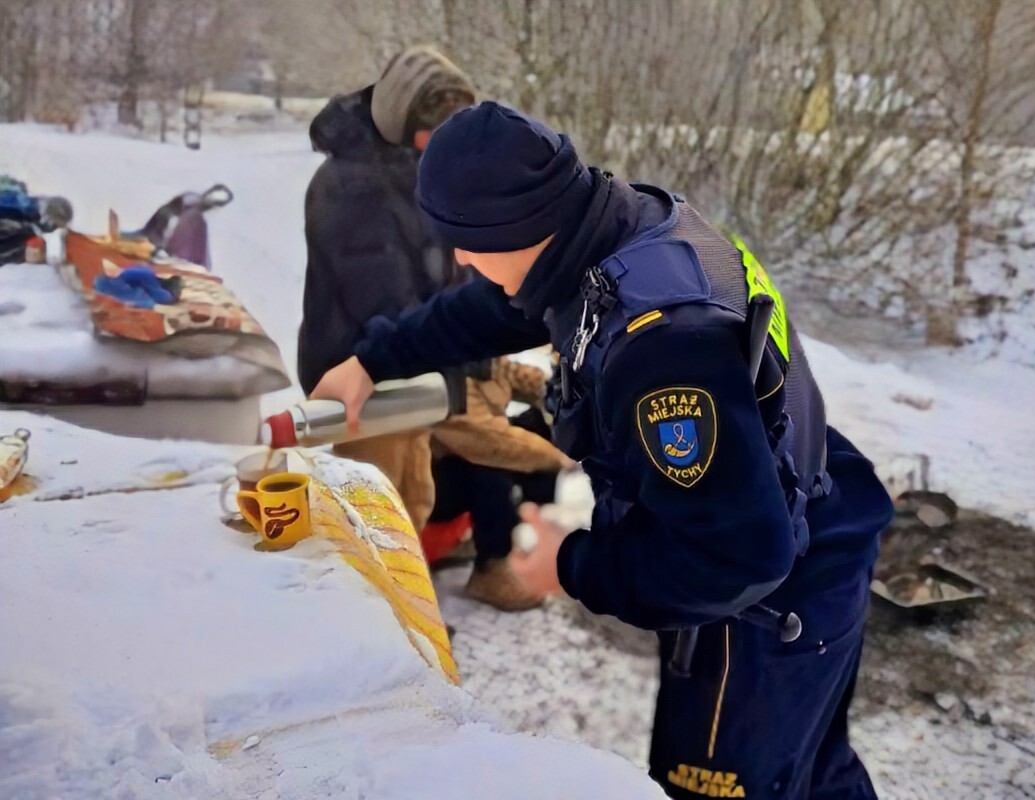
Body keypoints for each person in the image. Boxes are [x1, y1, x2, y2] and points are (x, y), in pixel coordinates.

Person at [311, 102, 895, 799]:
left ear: (519, 227)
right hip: (810, 499)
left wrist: (570, 565)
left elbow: (733, 560)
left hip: (771, 596)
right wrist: (374, 359)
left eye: (465, 241)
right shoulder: (613, 231)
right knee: (814, 770)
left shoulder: (665, 348)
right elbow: (494, 306)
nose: (461, 258)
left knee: (719, 786)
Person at [297, 52, 563, 610]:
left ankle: (400, 614)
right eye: (431, 140)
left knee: (413, 497)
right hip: (364, 377)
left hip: (414, 369)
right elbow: (384, 302)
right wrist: (460, 338)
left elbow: (451, 265)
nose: (441, 155)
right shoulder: (353, 188)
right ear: (399, 121)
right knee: (374, 510)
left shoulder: (420, 173)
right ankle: (365, 625)